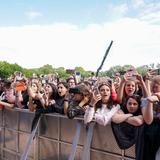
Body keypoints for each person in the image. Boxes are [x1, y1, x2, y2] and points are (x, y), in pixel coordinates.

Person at [111, 94, 144, 160]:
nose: (132, 106)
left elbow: (138, 121)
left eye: (135, 104)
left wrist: (123, 116)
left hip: (137, 149)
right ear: (126, 104)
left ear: (139, 105)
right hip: (118, 146)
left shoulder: (142, 113)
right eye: (130, 103)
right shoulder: (120, 110)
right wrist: (130, 115)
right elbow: (114, 119)